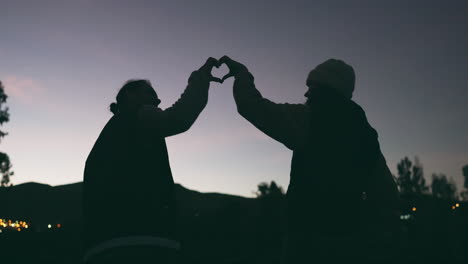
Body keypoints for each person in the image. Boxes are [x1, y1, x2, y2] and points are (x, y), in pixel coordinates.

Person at [220, 56, 402, 263]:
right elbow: (386, 194)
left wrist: (242, 74)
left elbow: (251, 106)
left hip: (305, 241)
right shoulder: (366, 135)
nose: (306, 92)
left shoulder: (309, 119)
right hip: (349, 243)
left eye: (311, 86)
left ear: (324, 88)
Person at [83, 58, 222, 264]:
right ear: (129, 95)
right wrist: (200, 79)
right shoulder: (138, 115)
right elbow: (180, 118)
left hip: (102, 244)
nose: (157, 103)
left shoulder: (109, 136)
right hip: (140, 242)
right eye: (151, 95)